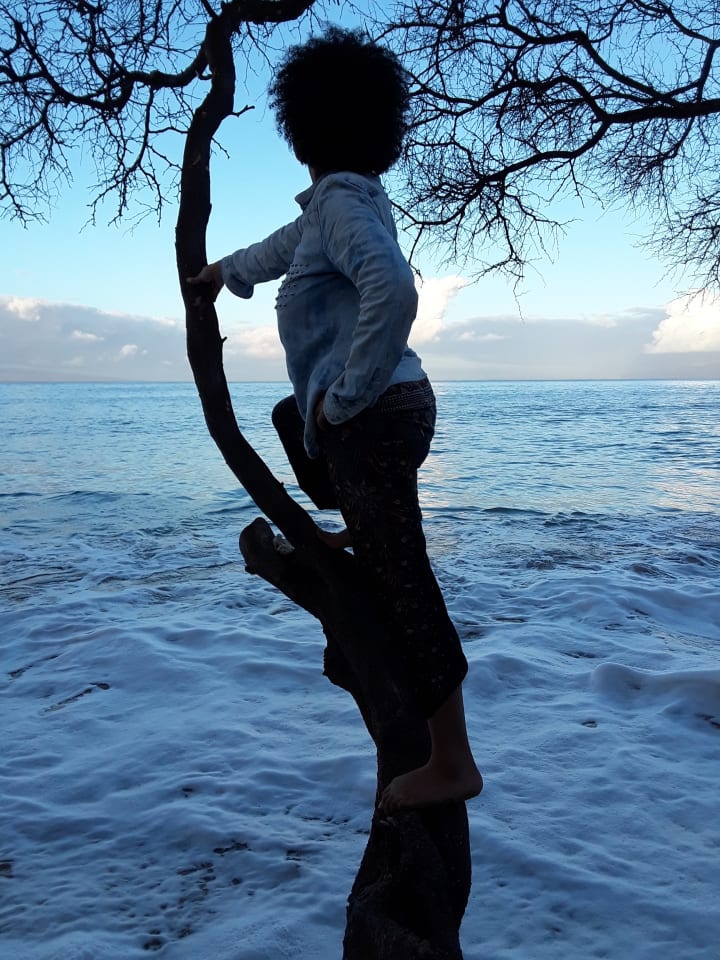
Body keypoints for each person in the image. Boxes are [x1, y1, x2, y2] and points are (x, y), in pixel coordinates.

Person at [188, 27, 482, 811]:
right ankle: (352, 524)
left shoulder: (343, 202)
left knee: (403, 582)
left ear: (305, 131)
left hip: (376, 415)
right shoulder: (338, 206)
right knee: (296, 419)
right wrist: (221, 274)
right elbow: (279, 248)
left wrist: (349, 394)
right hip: (384, 412)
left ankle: (452, 759)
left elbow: (395, 287)